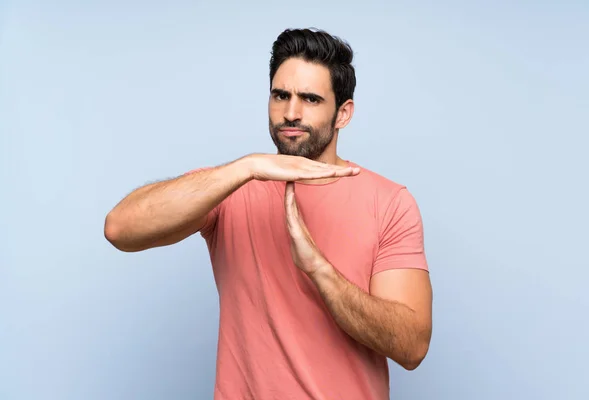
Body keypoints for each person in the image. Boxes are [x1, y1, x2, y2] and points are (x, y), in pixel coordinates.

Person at [104, 28, 433, 400]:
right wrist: (247, 168)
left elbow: (412, 345)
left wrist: (319, 269)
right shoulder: (232, 185)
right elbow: (119, 228)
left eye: (310, 99)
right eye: (281, 96)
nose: (291, 113)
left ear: (343, 113)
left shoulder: (389, 202)